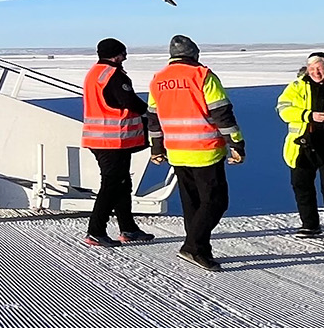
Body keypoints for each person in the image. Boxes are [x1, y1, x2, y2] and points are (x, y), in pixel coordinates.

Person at [149, 34, 245, 271]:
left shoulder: (158, 80)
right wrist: (236, 143)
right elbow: (222, 113)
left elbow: (153, 118)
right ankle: (192, 246)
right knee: (216, 201)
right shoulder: (202, 76)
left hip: (177, 151)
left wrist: (157, 147)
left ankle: (200, 249)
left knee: (192, 203)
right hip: (204, 150)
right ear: (194, 54)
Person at [80, 38, 159, 247]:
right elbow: (128, 101)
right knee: (111, 185)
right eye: (123, 54)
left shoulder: (94, 73)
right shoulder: (113, 75)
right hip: (111, 140)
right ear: (116, 55)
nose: (125, 57)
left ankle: (128, 228)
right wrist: (150, 113)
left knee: (123, 184)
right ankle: (95, 231)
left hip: (104, 140)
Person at [276, 53, 324, 240]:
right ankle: (309, 225)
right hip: (302, 145)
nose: (316, 72)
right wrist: (308, 115)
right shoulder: (297, 86)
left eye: (319, 68)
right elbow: (283, 109)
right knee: (301, 186)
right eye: (312, 69)